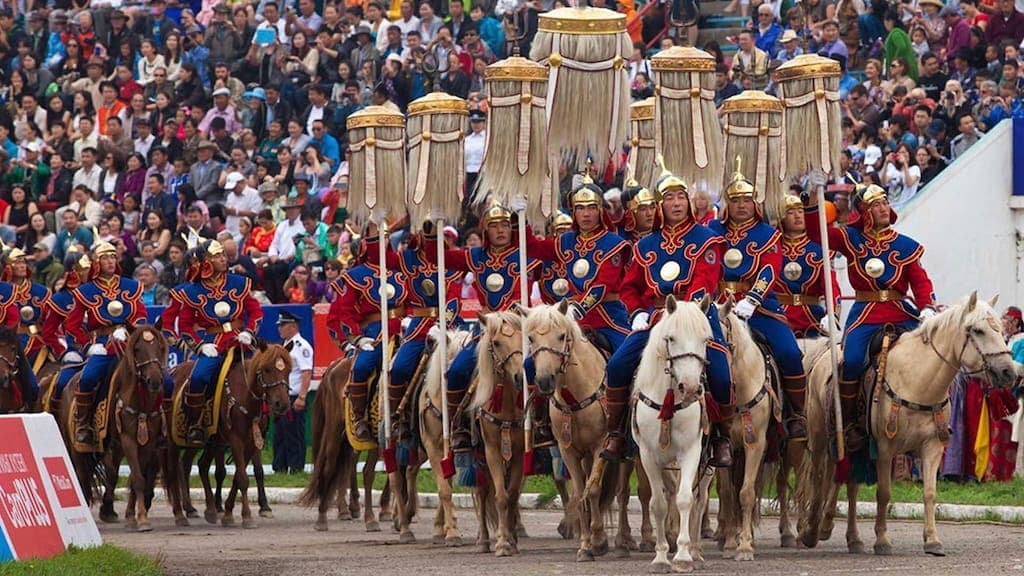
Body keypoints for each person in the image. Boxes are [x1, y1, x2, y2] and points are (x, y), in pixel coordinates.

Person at [604, 167, 734, 465]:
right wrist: (636, 311)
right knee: (617, 365)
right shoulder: (645, 245)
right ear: (659, 206)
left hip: (697, 315)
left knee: (722, 375)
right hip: (654, 317)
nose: (676, 203)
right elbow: (629, 287)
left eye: (680, 197)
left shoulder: (707, 239)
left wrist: (682, 313)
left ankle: (721, 438)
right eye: (669, 198)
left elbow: (705, 283)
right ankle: (617, 432)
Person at [805, 182, 936, 453]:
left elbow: (920, 282)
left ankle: (933, 417)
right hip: (866, 312)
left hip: (901, 311)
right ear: (865, 211)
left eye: (885, 202)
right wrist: (813, 201)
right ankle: (852, 423)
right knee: (851, 361)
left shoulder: (906, 245)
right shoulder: (850, 238)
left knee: (931, 353)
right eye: (876, 204)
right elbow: (818, 234)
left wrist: (927, 307)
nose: (883, 208)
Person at [428, 203, 539, 451]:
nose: (500, 230)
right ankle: (460, 428)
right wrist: (430, 230)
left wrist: (526, 223)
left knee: (540, 368)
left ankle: (542, 426)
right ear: (485, 230)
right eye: (494, 226)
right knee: (457, 371)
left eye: (505, 225)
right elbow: (439, 257)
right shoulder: (476, 256)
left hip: (521, 325)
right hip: (488, 328)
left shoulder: (525, 252)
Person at [708, 162, 807, 441]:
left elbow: (769, 270)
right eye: (736, 200)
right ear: (727, 203)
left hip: (759, 307)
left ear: (755, 204)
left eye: (747, 200)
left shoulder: (769, 234)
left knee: (788, 353)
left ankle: (796, 414)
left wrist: (751, 300)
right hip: (717, 305)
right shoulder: (713, 230)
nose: (741, 206)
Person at [164, 240, 262, 443]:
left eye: (223, 255)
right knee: (198, 377)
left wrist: (250, 332)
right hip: (212, 343)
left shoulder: (239, 282)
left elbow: (255, 310)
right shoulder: (192, 291)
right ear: (206, 262)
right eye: (218, 256)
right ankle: (195, 423)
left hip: (240, 340)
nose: (223, 259)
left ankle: (260, 418)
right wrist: (200, 346)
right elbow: (185, 325)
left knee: (264, 373)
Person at [326, 222, 407, 443]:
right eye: (376, 238)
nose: (382, 242)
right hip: (373, 332)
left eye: (386, 238)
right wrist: (357, 338)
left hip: (406, 327)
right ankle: (360, 418)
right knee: (362, 367)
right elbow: (344, 312)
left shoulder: (403, 268)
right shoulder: (354, 276)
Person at [60, 242, 146, 445]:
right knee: (88, 378)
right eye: (105, 258)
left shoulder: (130, 286)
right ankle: (84, 422)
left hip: (129, 341)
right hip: (101, 343)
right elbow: (72, 325)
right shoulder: (85, 290)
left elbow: (140, 314)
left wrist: (131, 330)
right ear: (97, 263)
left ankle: (159, 424)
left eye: (113, 257)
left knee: (160, 377)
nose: (110, 261)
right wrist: (89, 344)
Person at [777, 195, 839, 339]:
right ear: (782, 218)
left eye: (801, 211)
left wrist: (832, 314)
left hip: (812, 317)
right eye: (791, 212)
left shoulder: (821, 248)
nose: (798, 216)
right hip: (779, 316)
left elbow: (831, 286)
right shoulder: (772, 246)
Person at [40, 251, 92, 413]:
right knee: (62, 384)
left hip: (104, 347)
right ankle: (56, 417)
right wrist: (63, 352)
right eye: (85, 269)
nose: (89, 272)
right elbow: (48, 332)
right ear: (74, 271)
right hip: (75, 351)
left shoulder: (98, 291)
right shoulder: (60, 299)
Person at [273, 311, 312, 474]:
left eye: (283, 325)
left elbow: (306, 372)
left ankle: (296, 467)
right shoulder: (284, 345)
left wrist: (302, 397)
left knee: (294, 433)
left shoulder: (301, 346)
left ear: (293, 326)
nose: (279, 328)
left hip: (295, 395)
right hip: (282, 396)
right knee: (280, 433)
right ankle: (280, 466)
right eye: (279, 325)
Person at [3, 247, 51, 378]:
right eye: (17, 262)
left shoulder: (41, 291)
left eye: (23, 262)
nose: (22, 266)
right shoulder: (3, 292)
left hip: (39, 339)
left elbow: (50, 320)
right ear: (8, 267)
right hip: (8, 342)